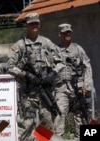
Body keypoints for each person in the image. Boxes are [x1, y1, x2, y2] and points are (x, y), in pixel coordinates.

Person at [7, 13, 64, 141]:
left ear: (39, 24)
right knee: (27, 125)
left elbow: (60, 62)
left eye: (36, 23)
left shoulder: (47, 43)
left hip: (44, 91)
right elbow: (9, 66)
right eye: (32, 23)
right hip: (28, 93)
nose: (34, 26)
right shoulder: (20, 45)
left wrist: (52, 74)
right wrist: (25, 74)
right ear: (27, 25)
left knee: (48, 125)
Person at [53, 23, 93, 140]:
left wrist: (86, 86)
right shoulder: (55, 51)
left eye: (69, 32)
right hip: (61, 88)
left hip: (78, 88)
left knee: (80, 115)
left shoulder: (78, 49)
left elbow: (87, 67)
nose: (68, 34)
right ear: (60, 34)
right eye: (65, 33)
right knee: (59, 115)